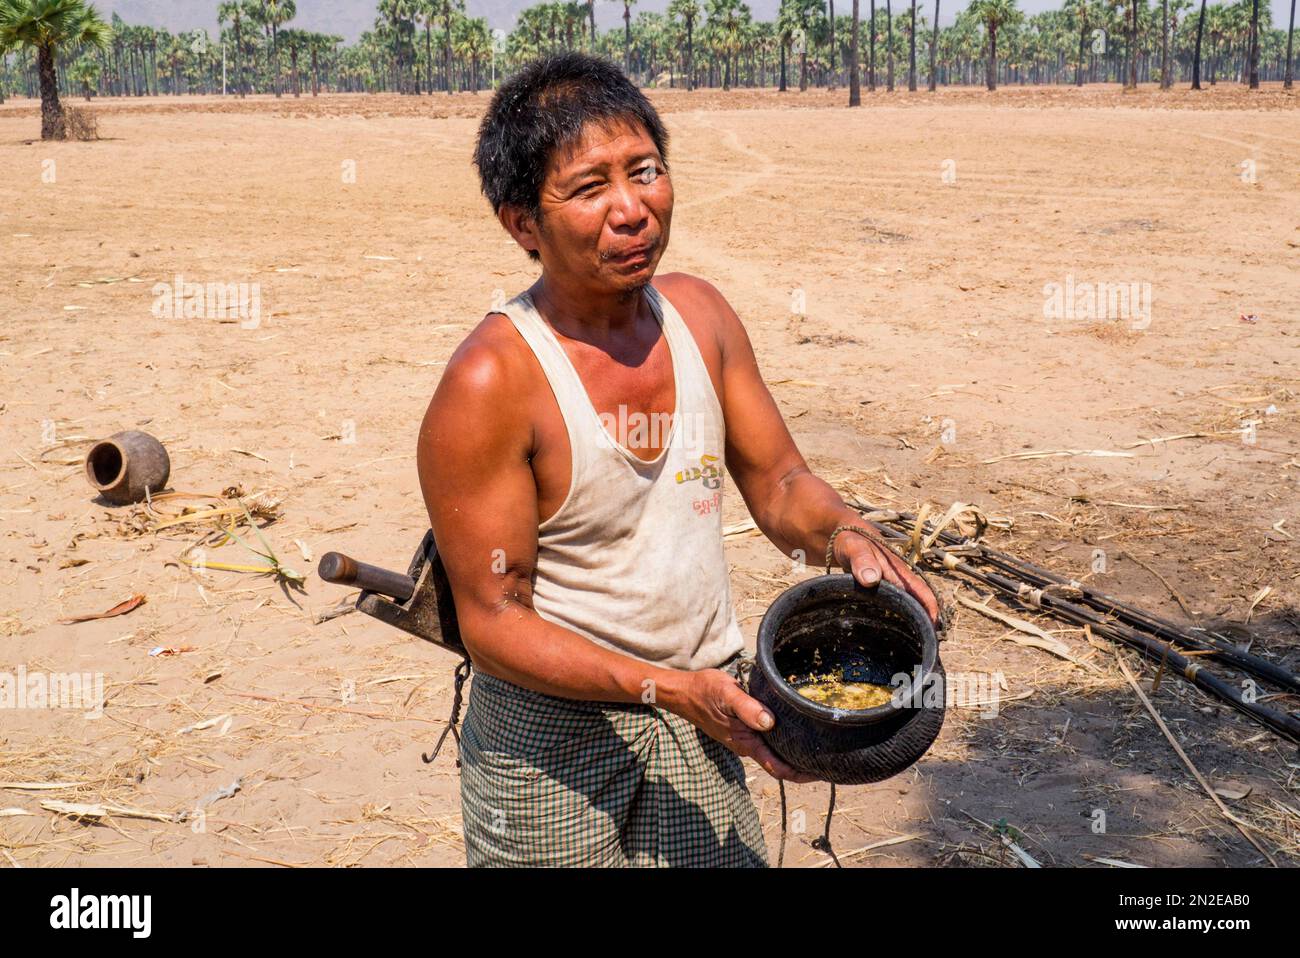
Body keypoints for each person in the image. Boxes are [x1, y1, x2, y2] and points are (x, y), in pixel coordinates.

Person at [416, 51, 939, 867]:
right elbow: (494, 622)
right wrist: (668, 688)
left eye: (646, 171)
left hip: (704, 704)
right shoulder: (493, 382)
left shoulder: (700, 317)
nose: (632, 210)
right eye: (589, 189)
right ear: (523, 223)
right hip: (548, 747)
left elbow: (780, 482)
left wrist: (844, 535)